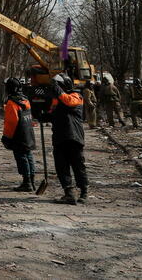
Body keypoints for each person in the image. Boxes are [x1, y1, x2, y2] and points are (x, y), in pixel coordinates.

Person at [46, 73, 88, 205]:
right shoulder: (57, 99)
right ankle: (69, 193)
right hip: (59, 137)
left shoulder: (76, 96)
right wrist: (45, 116)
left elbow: (68, 102)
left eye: (58, 86)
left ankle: (84, 192)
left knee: (78, 165)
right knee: (61, 166)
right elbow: (53, 113)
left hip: (74, 137)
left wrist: (57, 87)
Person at [1, 77, 37, 192]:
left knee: (21, 158)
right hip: (28, 133)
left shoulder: (12, 103)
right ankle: (31, 180)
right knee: (29, 155)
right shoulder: (25, 100)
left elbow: (11, 122)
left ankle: (26, 183)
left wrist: (6, 137)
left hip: (18, 135)